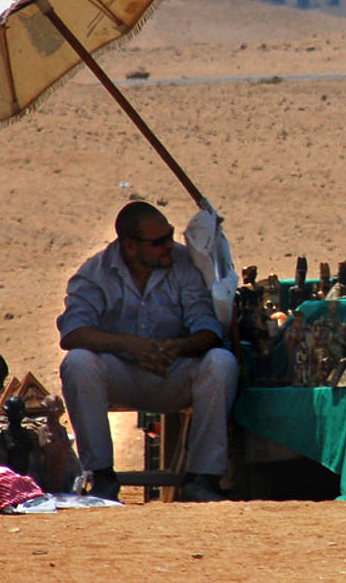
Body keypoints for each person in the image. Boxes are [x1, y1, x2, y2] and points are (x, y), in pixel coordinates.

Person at [57, 202, 238, 502]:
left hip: (174, 371)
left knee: (221, 363)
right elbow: (73, 332)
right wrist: (131, 346)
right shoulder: (95, 274)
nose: (170, 246)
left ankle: (203, 480)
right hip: (122, 375)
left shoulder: (184, 264)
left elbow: (209, 329)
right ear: (130, 247)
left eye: (169, 236)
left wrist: (179, 346)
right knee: (77, 363)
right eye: (159, 242)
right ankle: (101, 477)